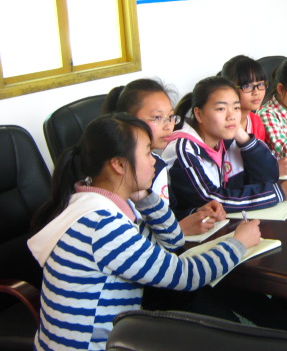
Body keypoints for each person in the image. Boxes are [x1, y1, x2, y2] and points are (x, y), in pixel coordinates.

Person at [28, 114, 261, 351]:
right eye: (148, 153)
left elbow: (172, 241)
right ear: (119, 165)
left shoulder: (91, 203)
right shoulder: (103, 225)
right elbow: (185, 276)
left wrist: (144, 196)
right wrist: (239, 243)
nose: (154, 162)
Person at [163, 76, 287, 218]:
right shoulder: (183, 148)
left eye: (236, 108)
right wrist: (277, 193)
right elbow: (210, 199)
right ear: (199, 115)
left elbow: (269, 176)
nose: (231, 116)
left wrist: (243, 138)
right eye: (221, 109)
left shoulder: (225, 140)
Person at [102, 79, 226, 236]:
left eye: (171, 116)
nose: (168, 126)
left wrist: (197, 213)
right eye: (157, 118)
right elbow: (129, 240)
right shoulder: (118, 173)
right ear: (128, 120)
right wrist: (179, 230)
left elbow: (170, 213)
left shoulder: (157, 163)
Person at [221, 55, 287, 175]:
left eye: (260, 84)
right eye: (247, 86)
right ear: (229, 89)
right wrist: (273, 169)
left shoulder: (256, 122)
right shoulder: (221, 126)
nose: (256, 92)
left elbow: (259, 160)